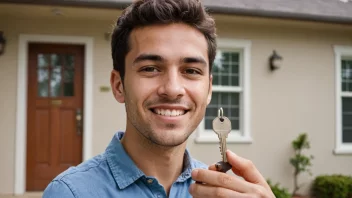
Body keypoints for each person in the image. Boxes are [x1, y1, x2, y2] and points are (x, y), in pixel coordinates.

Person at [43, 0, 275, 197]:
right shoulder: (70, 192)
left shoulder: (218, 192)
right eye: (151, 68)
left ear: (209, 89)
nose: (173, 89)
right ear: (118, 85)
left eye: (191, 71)